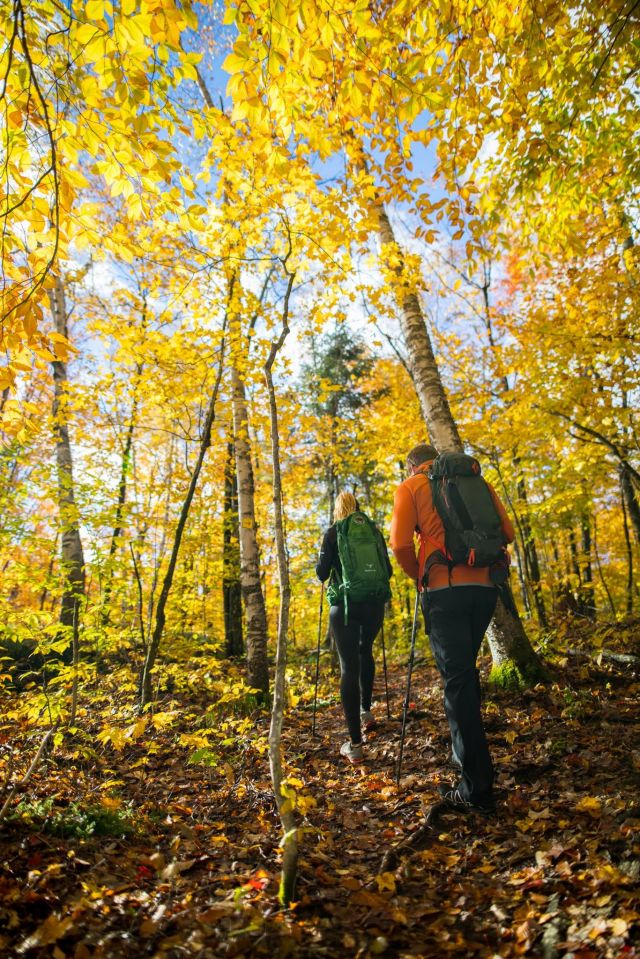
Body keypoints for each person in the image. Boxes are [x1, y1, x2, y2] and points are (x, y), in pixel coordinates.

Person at [390, 442, 515, 811]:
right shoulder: (478, 482)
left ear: (411, 466)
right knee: (464, 677)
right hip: (486, 589)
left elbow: (399, 545)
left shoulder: (411, 487)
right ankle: (467, 757)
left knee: (457, 682)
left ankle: (477, 789)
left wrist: (419, 575)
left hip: (444, 590)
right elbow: (507, 533)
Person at [316, 491, 392, 764]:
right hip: (374, 604)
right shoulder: (374, 532)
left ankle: (356, 745)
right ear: (358, 509)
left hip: (345, 606)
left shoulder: (333, 533)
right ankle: (366, 711)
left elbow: (322, 573)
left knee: (349, 668)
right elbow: (388, 571)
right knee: (365, 650)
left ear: (337, 510)